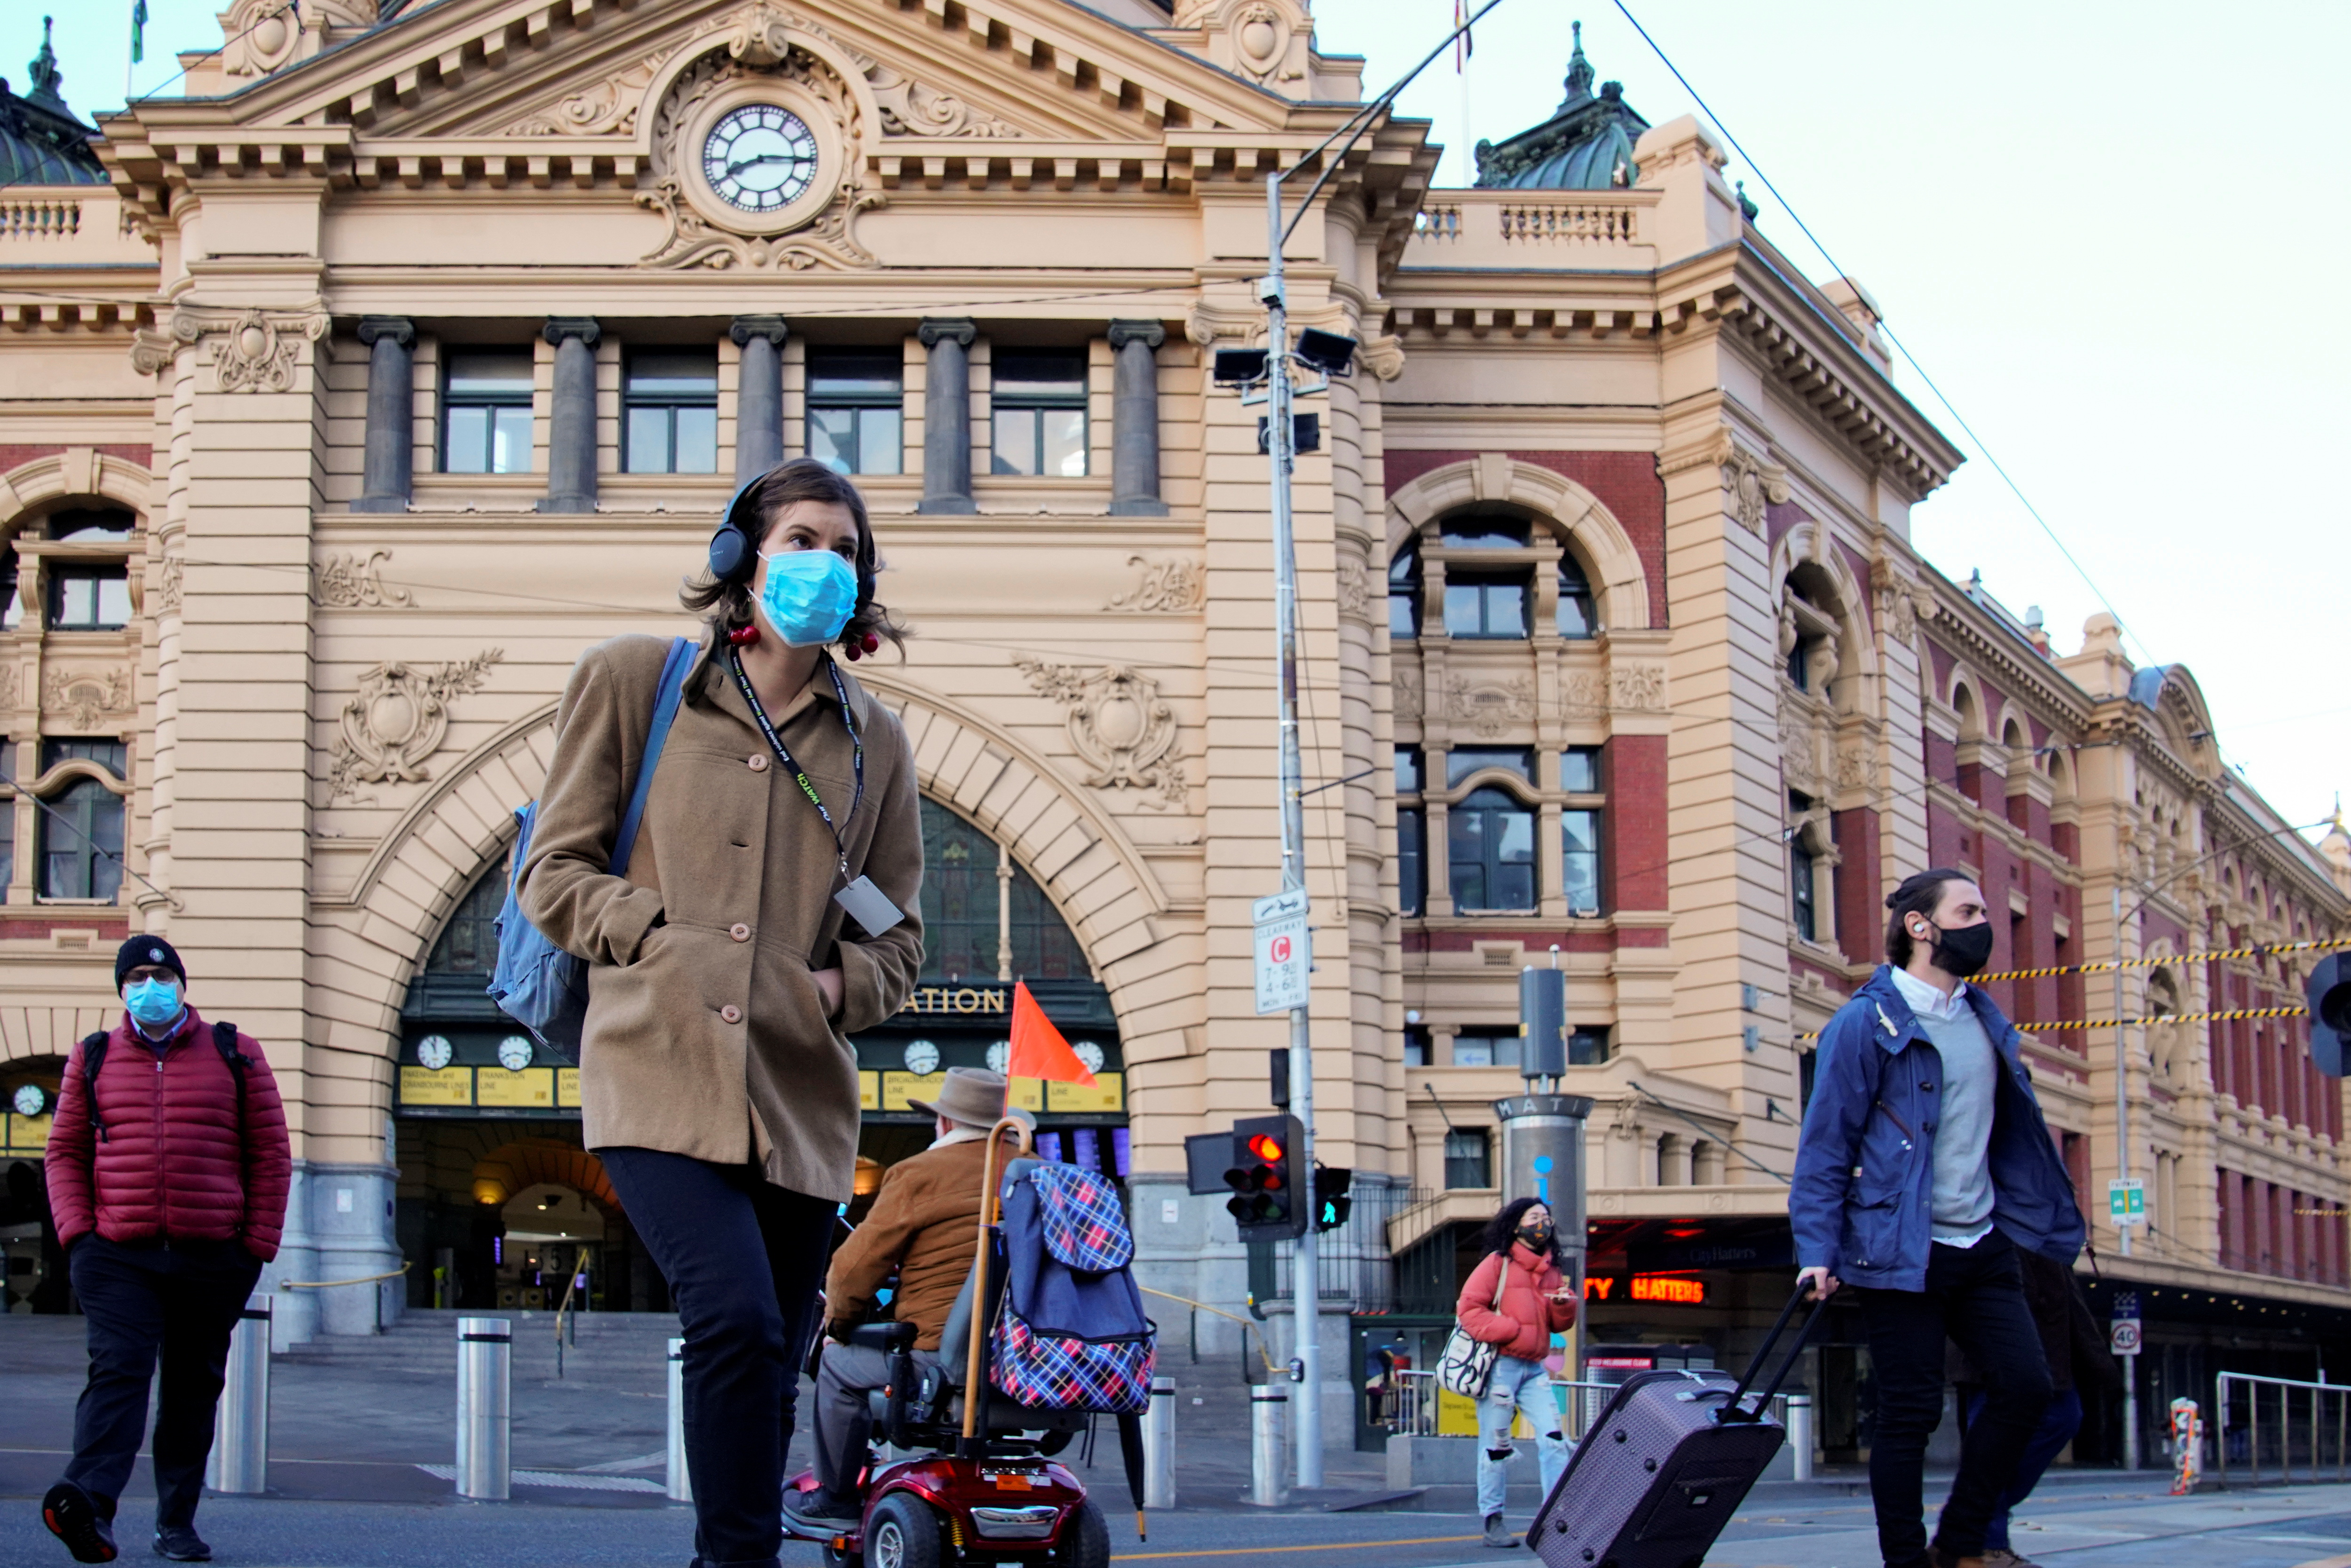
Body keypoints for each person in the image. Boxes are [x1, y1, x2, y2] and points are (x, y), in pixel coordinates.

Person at [521, 458, 924, 1568]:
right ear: (739, 558)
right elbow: (551, 872)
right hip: (655, 1068)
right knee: (735, 1318)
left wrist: (836, 989)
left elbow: (898, 935)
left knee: (773, 1348)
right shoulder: (635, 682)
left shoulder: (874, 741)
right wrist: (655, 938)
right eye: (801, 540)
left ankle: (731, 1554)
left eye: (845, 549)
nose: (824, 566)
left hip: (797, 1098)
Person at [1791, 869, 2087, 1568]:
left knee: (2028, 1387)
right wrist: (1817, 1248)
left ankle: (1960, 1540)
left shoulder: (1985, 1018)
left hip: (1982, 1240)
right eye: (1970, 910)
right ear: (1922, 927)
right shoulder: (1866, 1020)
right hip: (1900, 1248)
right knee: (1910, 1413)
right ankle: (1905, 1560)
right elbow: (1826, 1144)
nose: (1984, 922)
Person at [39, 936, 292, 1565]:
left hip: (213, 1254)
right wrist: (79, 1235)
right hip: (118, 1252)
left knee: (191, 1387)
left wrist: (254, 1245)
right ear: (122, 990)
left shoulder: (236, 1052)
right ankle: (89, 1505)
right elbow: (64, 1151)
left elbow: (271, 1154)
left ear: (182, 982)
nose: (150, 985)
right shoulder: (92, 1057)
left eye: (161, 974)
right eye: (137, 977)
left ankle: (176, 1521)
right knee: (118, 1370)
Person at [788, 1067, 1015, 1530]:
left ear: (946, 1123)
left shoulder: (919, 1173)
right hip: (1023, 1360)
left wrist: (837, 1327)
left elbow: (852, 1270)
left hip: (942, 1358)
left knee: (837, 1364)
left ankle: (836, 1496)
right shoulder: (1033, 1173)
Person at [1948, 1247, 2120, 1568]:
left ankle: (1973, 1516)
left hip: (2046, 1341)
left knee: (2066, 1416)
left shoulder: (2050, 1231)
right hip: (1991, 1336)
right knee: (1990, 1438)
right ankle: (1987, 1542)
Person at [1455, 1195, 1577, 1550]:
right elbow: (1469, 1308)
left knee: (1555, 1440)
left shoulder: (1552, 1269)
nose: (1542, 1223)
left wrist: (1564, 1306)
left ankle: (1553, 1516)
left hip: (1534, 1369)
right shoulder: (1498, 1263)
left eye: (1546, 1217)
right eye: (1534, 1216)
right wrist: (1508, 1328)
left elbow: (1558, 1323)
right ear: (1516, 1223)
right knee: (1495, 1447)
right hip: (1501, 1367)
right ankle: (1492, 1520)